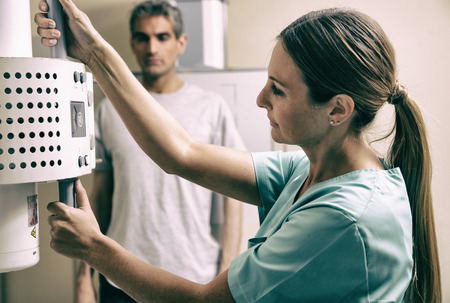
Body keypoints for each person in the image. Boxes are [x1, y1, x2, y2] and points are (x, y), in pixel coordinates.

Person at [36, 0, 442, 302]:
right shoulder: (309, 171)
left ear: (337, 109)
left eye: (278, 90)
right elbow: (182, 153)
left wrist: (94, 250)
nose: (261, 98)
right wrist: (93, 52)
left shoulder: (344, 216)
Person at [75, 1, 245, 302]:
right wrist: (84, 275)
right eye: (142, 38)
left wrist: (228, 269)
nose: (152, 48)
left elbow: (233, 196)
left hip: (193, 274)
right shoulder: (108, 111)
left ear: (181, 43)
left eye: (162, 37)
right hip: (119, 272)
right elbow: (99, 197)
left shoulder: (211, 107)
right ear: (132, 43)